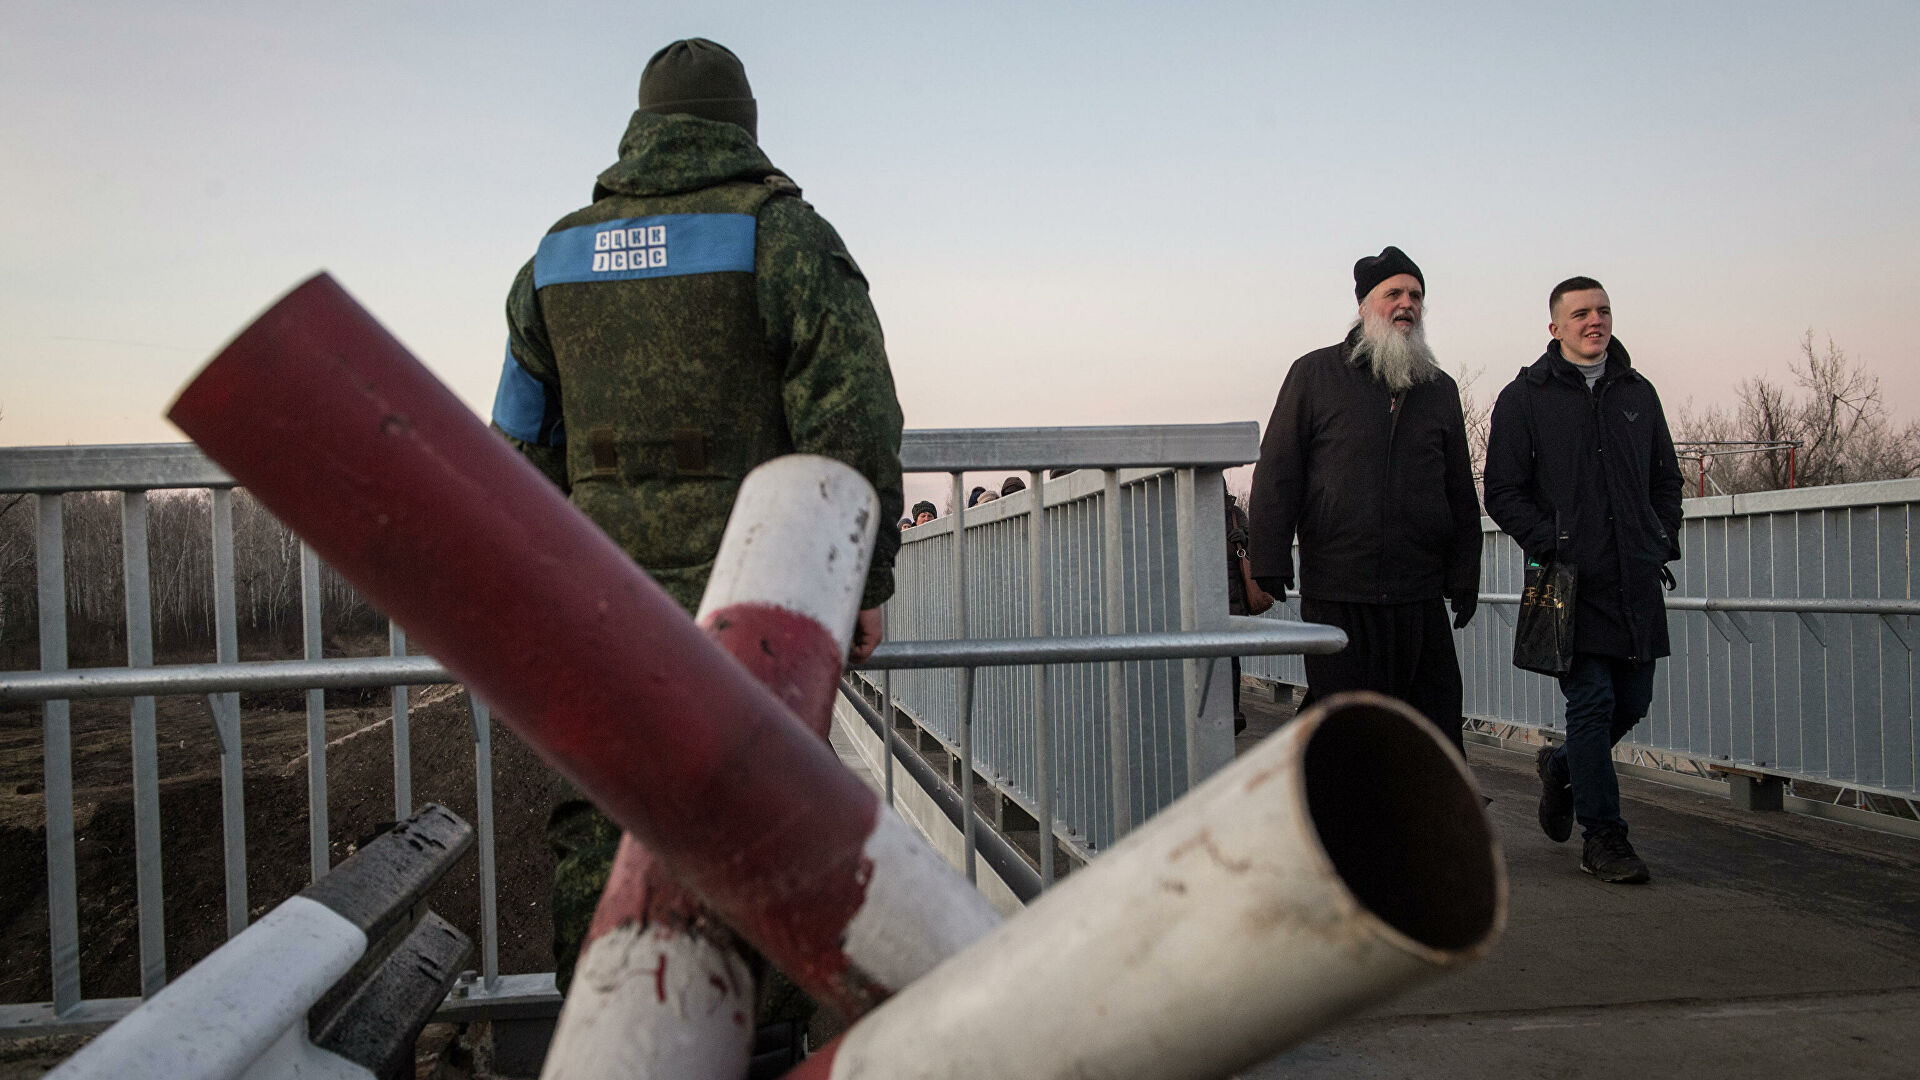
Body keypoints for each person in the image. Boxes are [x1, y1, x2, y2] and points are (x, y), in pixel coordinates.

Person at [487, 37, 906, 991]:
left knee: (608, 806)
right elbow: (855, 415)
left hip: (601, 607)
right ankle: (746, 1036)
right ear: (742, 128)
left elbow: (517, 443)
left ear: (641, 129)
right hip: (757, 602)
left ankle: (603, 1019)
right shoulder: (781, 233)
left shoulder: (555, 257)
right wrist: (862, 579)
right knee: (752, 812)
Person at [1483, 276, 1683, 885]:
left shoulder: (1637, 392)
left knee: (1634, 701)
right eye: (1580, 314)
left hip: (1635, 579)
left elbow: (1665, 479)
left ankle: (1562, 767)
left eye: (1602, 311)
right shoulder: (1525, 397)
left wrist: (1658, 539)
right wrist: (1554, 541)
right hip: (1570, 584)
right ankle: (1605, 838)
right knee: (1592, 704)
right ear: (1556, 327)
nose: (1593, 321)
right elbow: (1502, 492)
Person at [1247, 246, 1482, 753]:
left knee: (1436, 722)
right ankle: (1335, 822)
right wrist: (1268, 555)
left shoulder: (1438, 388)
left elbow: (1459, 489)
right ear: (1363, 306)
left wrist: (1466, 570)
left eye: (1416, 295)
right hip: (1340, 586)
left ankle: (1430, 825)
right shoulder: (1314, 375)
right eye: (1393, 293)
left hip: (1418, 590)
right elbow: (1279, 468)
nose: (1406, 304)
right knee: (1347, 723)